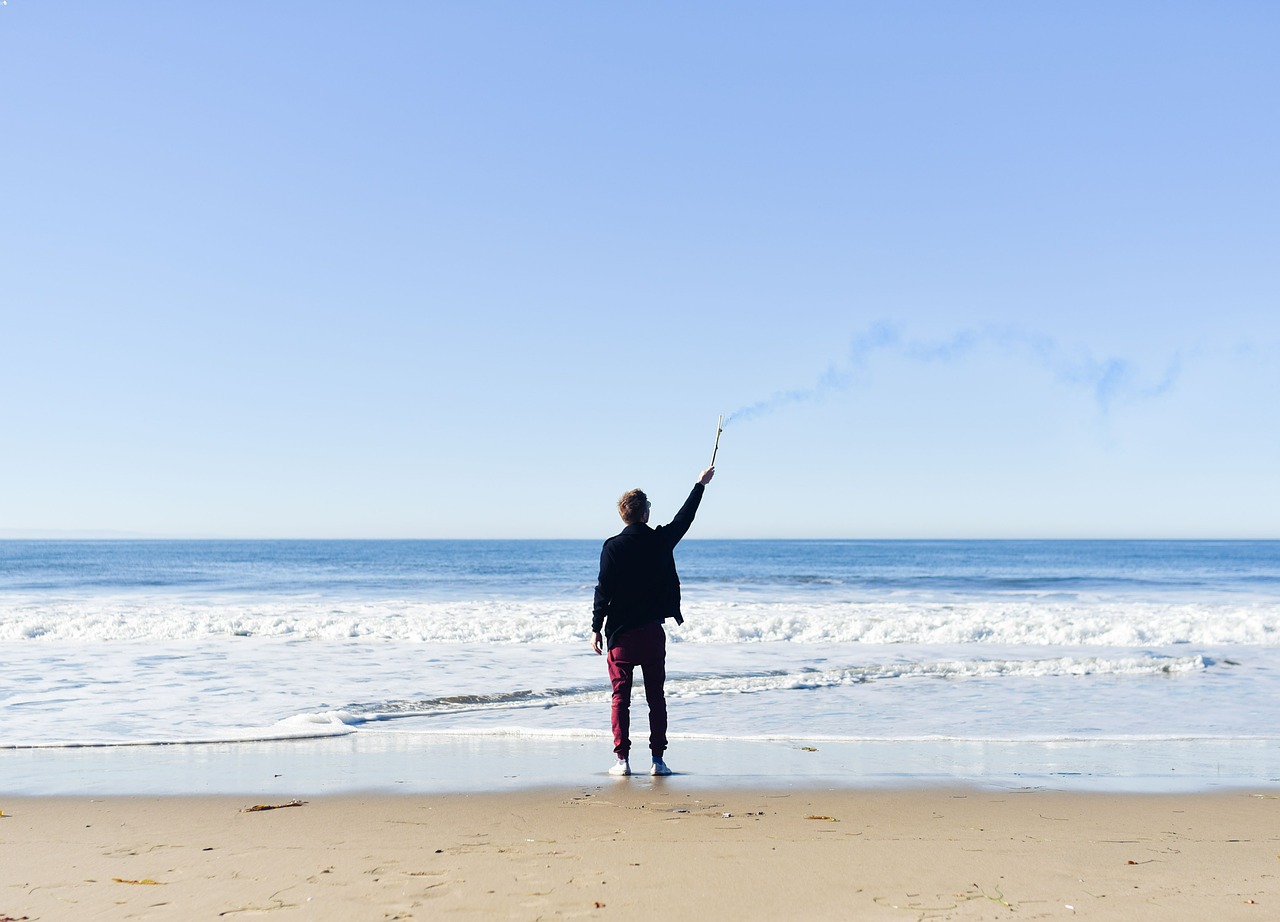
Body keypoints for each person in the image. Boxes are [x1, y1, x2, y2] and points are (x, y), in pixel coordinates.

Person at [591, 465, 715, 776]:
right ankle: (657, 761)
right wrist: (699, 485)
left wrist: (595, 627)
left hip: (620, 635)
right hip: (650, 634)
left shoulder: (612, 547)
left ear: (624, 516)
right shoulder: (660, 541)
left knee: (621, 697)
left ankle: (622, 760)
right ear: (645, 513)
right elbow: (684, 519)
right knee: (655, 697)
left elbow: (603, 590)